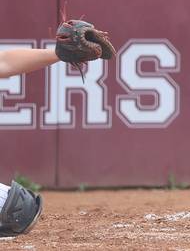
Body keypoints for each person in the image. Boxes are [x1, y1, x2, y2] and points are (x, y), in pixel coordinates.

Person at [0, 20, 114, 237]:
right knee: (18, 209)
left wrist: (57, 54)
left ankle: (5, 202)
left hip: (14, 208)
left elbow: (3, 62)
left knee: (18, 209)